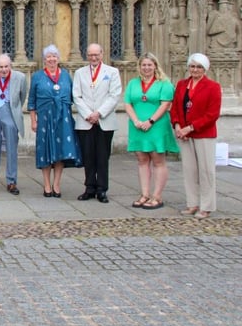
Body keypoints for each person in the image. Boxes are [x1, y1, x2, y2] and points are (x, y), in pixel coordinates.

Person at [123, 53, 179, 210]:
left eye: (149, 65)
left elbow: (165, 104)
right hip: (137, 126)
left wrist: (150, 121)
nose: (146, 68)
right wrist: (136, 121)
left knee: (157, 159)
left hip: (156, 126)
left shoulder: (164, 84)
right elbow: (127, 103)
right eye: (143, 65)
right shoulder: (133, 83)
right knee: (141, 159)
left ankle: (157, 196)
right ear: (139, 66)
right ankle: (145, 194)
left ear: (155, 66)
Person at [170, 54, 222, 219]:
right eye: (192, 66)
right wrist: (178, 126)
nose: (195, 70)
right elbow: (176, 108)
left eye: (199, 67)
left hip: (203, 134)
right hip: (184, 134)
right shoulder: (182, 85)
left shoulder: (213, 87)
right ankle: (192, 203)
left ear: (205, 69)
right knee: (189, 170)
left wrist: (190, 128)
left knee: (206, 171)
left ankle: (206, 206)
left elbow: (212, 114)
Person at [28, 45, 81, 197]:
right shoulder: (37, 76)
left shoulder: (65, 76)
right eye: (48, 57)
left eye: (54, 56)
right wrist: (33, 120)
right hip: (44, 119)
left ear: (58, 58)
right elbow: (32, 101)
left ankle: (56, 184)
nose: (51, 59)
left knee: (61, 150)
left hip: (63, 118)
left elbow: (73, 97)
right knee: (45, 151)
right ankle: (46, 185)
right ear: (44, 60)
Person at [72, 43, 122, 203]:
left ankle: (102, 189)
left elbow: (114, 95)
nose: (93, 58)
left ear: (102, 54)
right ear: (87, 55)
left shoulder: (112, 72)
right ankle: (89, 187)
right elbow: (76, 96)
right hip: (85, 121)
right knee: (88, 156)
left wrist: (99, 113)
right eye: (90, 55)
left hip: (104, 121)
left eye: (96, 55)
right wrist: (88, 114)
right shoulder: (80, 73)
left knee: (102, 156)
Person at [0, 53, 27, 195]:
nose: (3, 70)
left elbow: (22, 95)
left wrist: (13, 108)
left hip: (10, 112)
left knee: (11, 149)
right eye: (0, 67)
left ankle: (11, 181)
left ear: (11, 66)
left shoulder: (20, 77)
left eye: (6, 66)